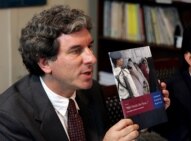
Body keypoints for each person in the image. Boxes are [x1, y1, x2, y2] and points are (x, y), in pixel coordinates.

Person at [0, 5, 170, 141]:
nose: (92, 58)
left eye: (89, 47)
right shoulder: (11, 116)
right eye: (76, 51)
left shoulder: (91, 89)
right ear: (45, 63)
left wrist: (150, 109)